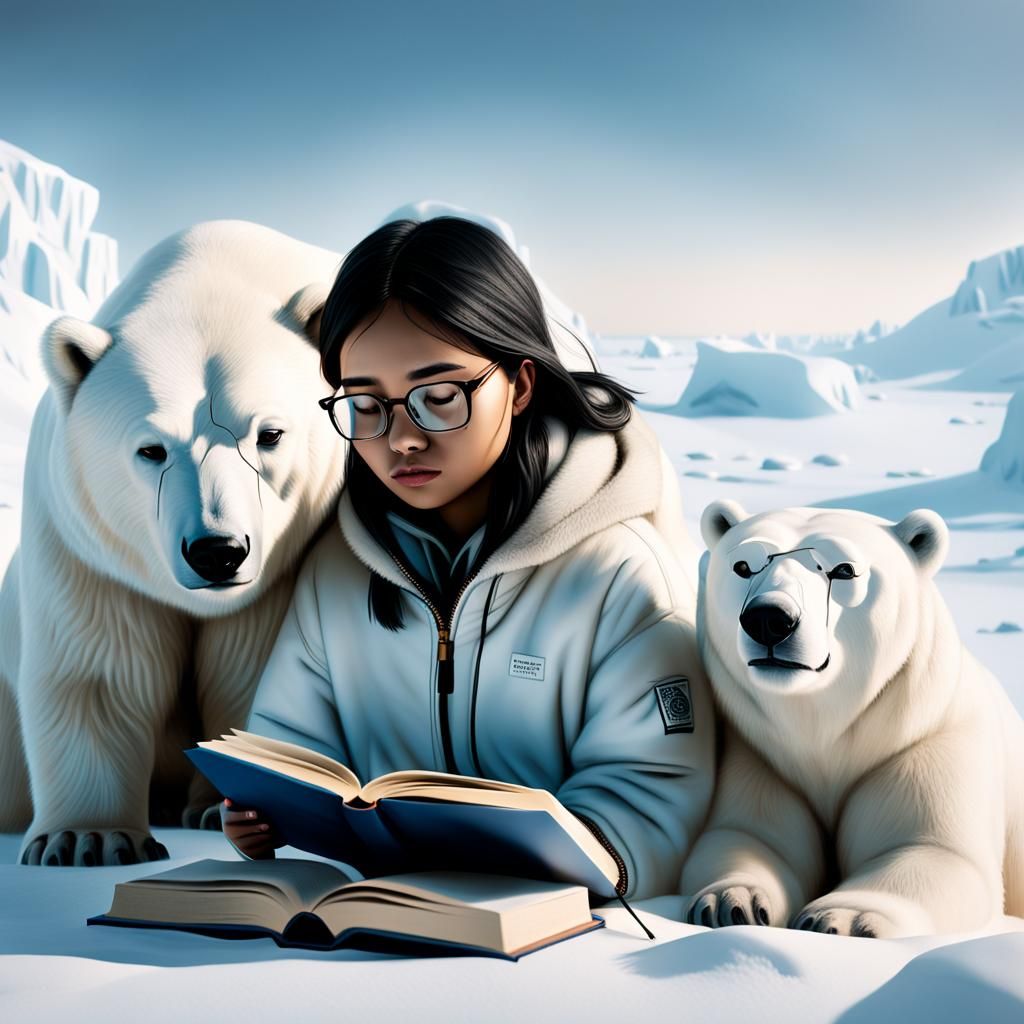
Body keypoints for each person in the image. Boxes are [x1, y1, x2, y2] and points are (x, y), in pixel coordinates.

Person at [221, 216, 714, 900]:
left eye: (439, 397)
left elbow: (658, 792)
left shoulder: (617, 576)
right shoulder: (337, 570)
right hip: (373, 923)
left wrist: (581, 859)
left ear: (519, 383)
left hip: (564, 945)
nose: (401, 439)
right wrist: (262, 812)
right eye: (365, 404)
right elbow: (291, 745)